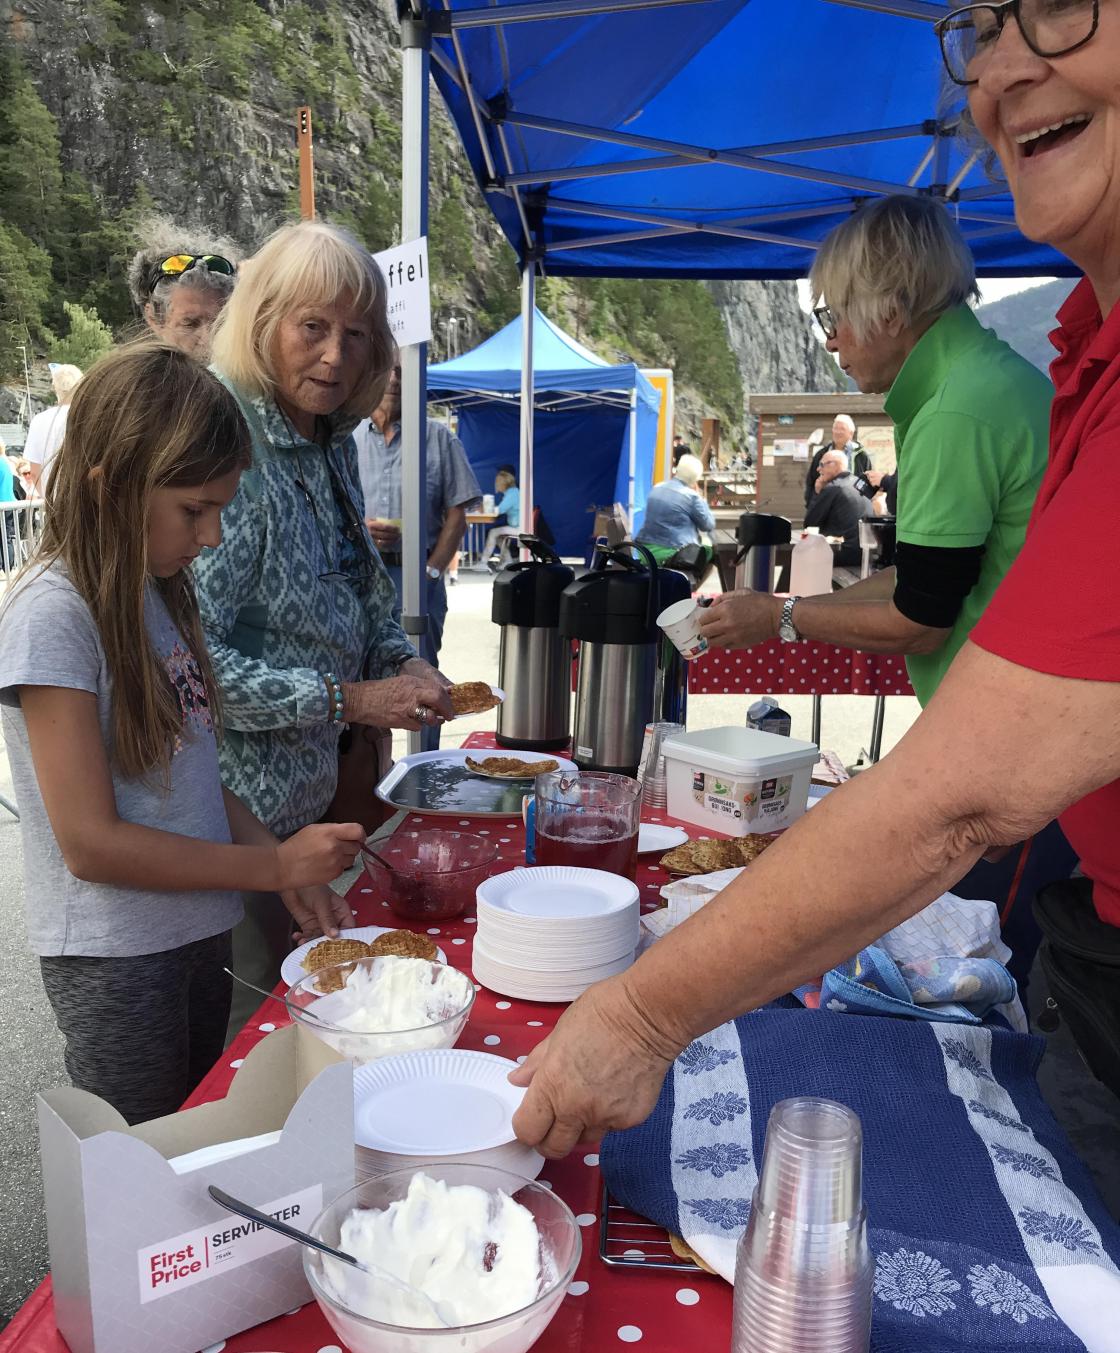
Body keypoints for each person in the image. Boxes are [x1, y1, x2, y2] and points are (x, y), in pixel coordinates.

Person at [507, 6, 1120, 1156]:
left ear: (889, 306)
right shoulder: (1031, 365)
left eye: (1056, 6)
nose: (994, 69)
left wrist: (640, 1014)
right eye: (978, 29)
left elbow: (943, 694)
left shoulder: (958, 397)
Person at [0, 343, 362, 1124]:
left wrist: (282, 866)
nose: (213, 536)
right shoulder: (53, 614)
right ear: (110, 489)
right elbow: (89, 843)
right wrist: (267, 868)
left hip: (199, 931)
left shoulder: (158, 594)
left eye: (222, 509)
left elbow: (192, 772)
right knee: (139, 1169)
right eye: (196, 509)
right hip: (117, 963)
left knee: (199, 1136)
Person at [194, 220, 453, 1027]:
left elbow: (365, 595)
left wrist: (402, 664)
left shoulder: (328, 442)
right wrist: (352, 700)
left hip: (311, 810)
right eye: (313, 328)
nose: (336, 357)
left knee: (321, 1010)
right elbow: (194, 669)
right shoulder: (223, 443)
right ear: (263, 320)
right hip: (231, 823)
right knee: (259, 1032)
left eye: (357, 334)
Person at [353, 356, 481, 742]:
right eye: (387, 369)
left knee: (425, 679)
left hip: (417, 579)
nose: (393, 379)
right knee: (363, 678)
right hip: (360, 578)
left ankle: (425, 769)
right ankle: (371, 774)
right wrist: (362, 528)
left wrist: (431, 571)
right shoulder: (347, 438)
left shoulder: (438, 437)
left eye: (404, 373)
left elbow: (459, 512)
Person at [127, 244, 238, 362]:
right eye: (190, 324)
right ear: (154, 318)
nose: (208, 340)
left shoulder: (246, 375)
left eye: (219, 324)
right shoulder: (132, 378)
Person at [634, 453, 716, 565]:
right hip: (675, 554)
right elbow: (708, 525)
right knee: (709, 549)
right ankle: (692, 582)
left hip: (645, 552)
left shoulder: (656, 488)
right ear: (695, 478)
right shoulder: (692, 497)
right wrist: (702, 499)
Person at [802, 448, 871, 566]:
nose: (818, 469)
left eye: (821, 465)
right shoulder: (858, 483)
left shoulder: (833, 488)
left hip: (844, 552)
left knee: (799, 557)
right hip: (866, 552)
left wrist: (817, 493)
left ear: (835, 465)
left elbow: (810, 524)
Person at [23, 364, 82, 498]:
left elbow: (34, 471)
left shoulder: (39, 420)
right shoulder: (91, 416)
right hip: (86, 502)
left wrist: (47, 497)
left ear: (55, 387)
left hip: (54, 500)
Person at [804, 414, 870, 508]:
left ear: (851, 433)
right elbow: (811, 481)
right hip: (825, 505)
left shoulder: (861, 456)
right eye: (835, 428)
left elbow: (867, 483)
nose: (837, 432)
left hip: (852, 505)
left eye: (842, 429)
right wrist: (812, 504)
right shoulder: (821, 454)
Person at [474, 466, 522, 568]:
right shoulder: (513, 492)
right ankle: (508, 560)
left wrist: (484, 508)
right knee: (498, 535)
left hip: (519, 528)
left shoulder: (512, 494)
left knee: (493, 532)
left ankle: (483, 562)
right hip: (518, 526)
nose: (496, 484)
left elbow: (499, 510)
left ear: (503, 483)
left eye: (497, 482)